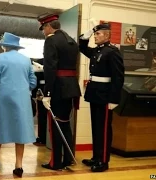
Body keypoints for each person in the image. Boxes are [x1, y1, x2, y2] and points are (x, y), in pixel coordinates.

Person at [35, 14, 81, 170]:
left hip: (58, 89)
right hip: (71, 87)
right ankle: (68, 158)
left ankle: (56, 162)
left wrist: (47, 94)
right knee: (65, 124)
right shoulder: (72, 41)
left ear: (49, 26)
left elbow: (50, 69)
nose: (43, 32)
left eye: (43, 28)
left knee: (55, 127)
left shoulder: (51, 40)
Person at [0, 32, 37, 178]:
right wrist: (25, 89)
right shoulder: (26, 60)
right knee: (20, 129)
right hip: (22, 98)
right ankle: (18, 165)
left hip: (5, 97)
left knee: (0, 127)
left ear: (4, 46)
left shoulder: (0, 58)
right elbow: (33, 81)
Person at [79, 22, 125, 172]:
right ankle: (96, 157)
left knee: (104, 129)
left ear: (106, 35)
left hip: (105, 96)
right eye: (95, 34)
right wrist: (90, 31)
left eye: (98, 34)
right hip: (95, 93)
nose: (95, 36)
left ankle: (103, 161)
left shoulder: (112, 52)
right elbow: (82, 46)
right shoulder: (97, 50)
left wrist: (114, 99)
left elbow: (118, 77)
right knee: (96, 127)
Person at [31, 58, 47, 146]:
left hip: (48, 90)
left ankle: (45, 138)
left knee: (44, 116)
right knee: (41, 116)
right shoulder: (40, 62)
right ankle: (41, 137)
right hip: (41, 91)